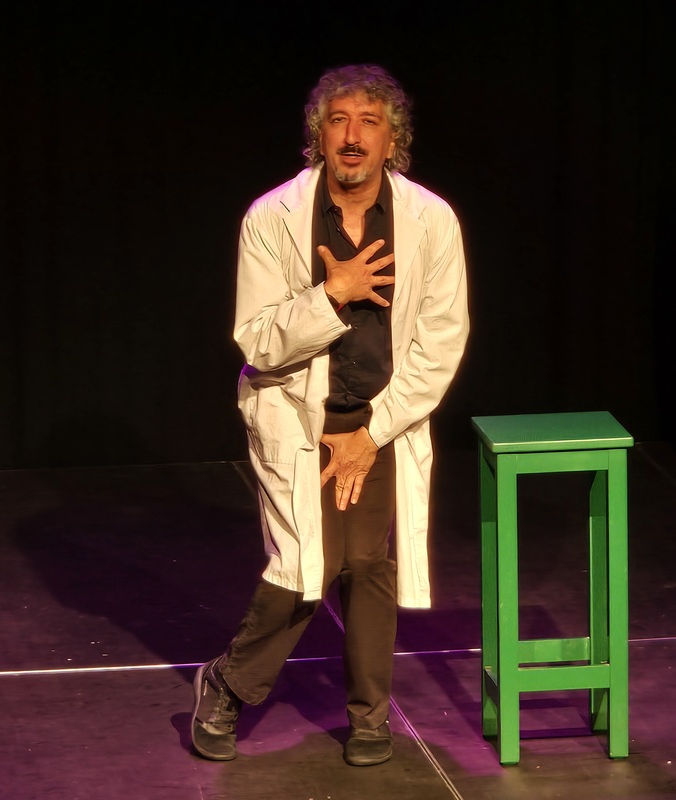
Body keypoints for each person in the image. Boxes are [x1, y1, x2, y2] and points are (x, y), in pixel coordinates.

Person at [191, 64, 469, 767]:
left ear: (392, 140)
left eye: (369, 122)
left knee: (368, 564)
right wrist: (331, 295)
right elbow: (258, 340)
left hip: (380, 421)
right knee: (307, 568)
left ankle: (369, 717)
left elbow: (441, 342)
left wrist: (371, 434)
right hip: (297, 417)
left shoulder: (430, 221)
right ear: (317, 135)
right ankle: (228, 683)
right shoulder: (272, 218)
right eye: (338, 120)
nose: (352, 136)